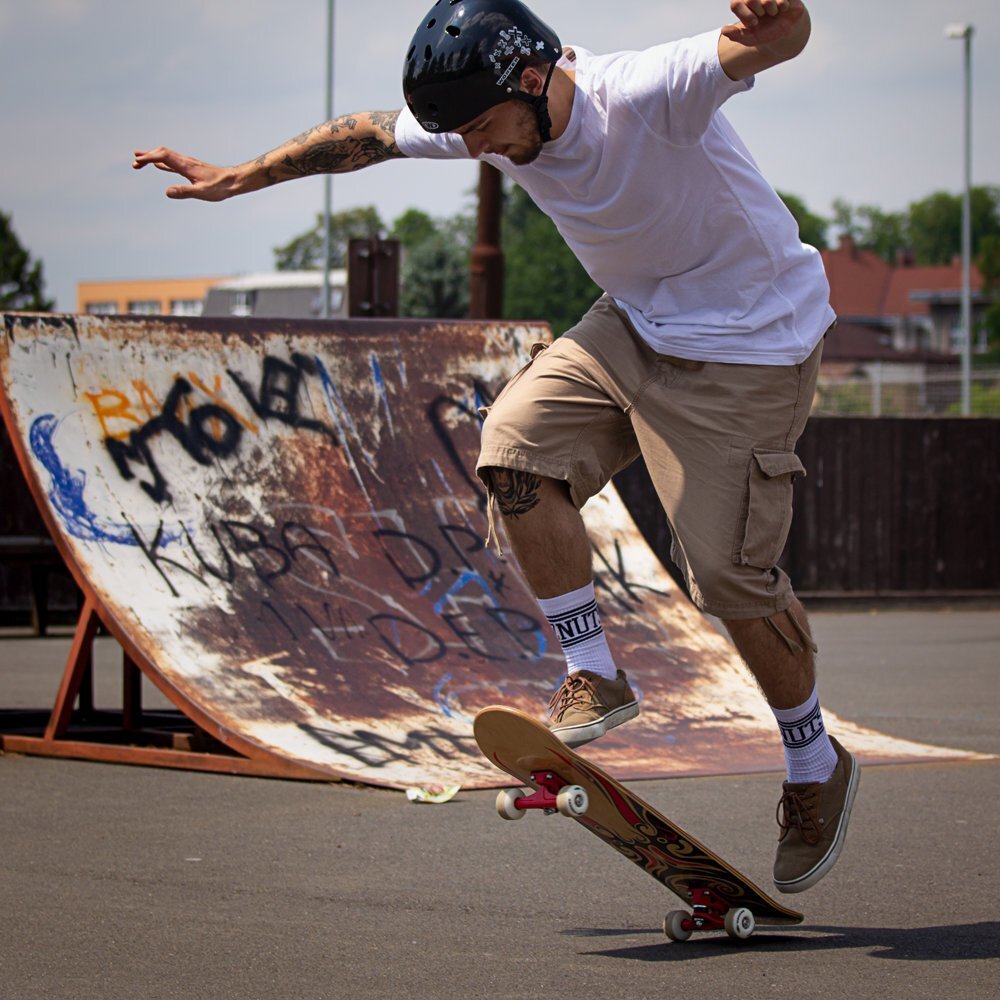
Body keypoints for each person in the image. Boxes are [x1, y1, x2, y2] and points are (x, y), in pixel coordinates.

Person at [134, 0, 858, 894]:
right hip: (634, 325)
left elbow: (770, 42)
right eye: (462, 135)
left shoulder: (643, 92)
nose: (476, 148)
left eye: (483, 129)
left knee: (726, 577)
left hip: (752, 344)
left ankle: (814, 761)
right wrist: (239, 177)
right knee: (513, 451)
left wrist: (783, 14)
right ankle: (594, 672)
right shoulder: (485, 117)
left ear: (533, 79)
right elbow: (364, 135)